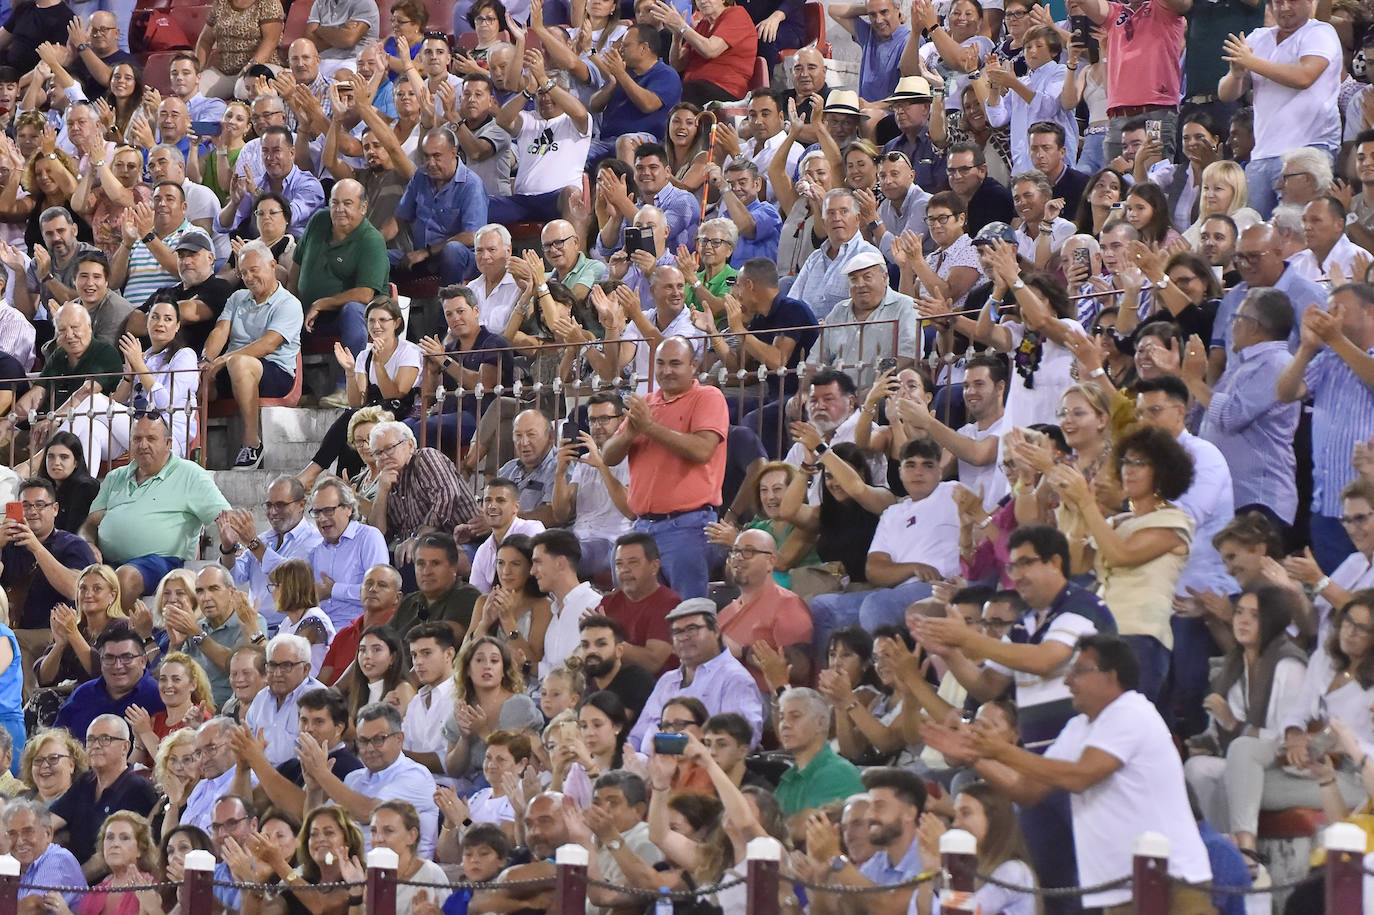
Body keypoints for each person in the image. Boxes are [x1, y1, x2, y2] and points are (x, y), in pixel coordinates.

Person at [600, 336, 727, 600]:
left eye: (675, 363)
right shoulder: (646, 404)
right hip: (642, 526)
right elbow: (608, 456)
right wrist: (627, 435)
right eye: (660, 363)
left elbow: (702, 450)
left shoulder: (708, 397)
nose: (666, 370)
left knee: (687, 612)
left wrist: (650, 428)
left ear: (694, 366)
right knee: (636, 609)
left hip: (688, 526)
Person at [1277, 284, 1374, 572]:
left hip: (1369, 510)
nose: (1329, 317)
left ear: (1369, 312)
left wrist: (1336, 340)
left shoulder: (1341, 349)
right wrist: (1307, 349)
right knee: (1334, 607)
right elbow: (1285, 392)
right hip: (1328, 511)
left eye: (1337, 310)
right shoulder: (1329, 358)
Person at [1189, 287, 1301, 526]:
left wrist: (1193, 381)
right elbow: (1200, 421)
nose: (1232, 327)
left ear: (1253, 326)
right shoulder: (1241, 365)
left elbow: (1231, 416)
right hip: (1227, 497)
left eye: (1236, 319)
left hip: (1258, 499)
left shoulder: (1277, 363)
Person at [201, 239, 303, 470]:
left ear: (272, 265)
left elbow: (268, 344)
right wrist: (207, 361)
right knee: (193, 373)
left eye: (254, 270)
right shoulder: (237, 298)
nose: (248, 278)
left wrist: (224, 360)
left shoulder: (289, 304)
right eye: (243, 272)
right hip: (231, 368)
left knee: (239, 362)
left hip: (275, 372)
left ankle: (251, 443)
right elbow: (220, 330)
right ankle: (189, 451)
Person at [302, 701, 440, 856]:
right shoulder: (354, 778)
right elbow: (316, 825)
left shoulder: (415, 776)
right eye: (363, 741)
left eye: (378, 739)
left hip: (403, 874)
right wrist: (314, 789)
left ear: (399, 739)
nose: (369, 749)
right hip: (352, 870)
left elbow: (368, 813)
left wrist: (322, 774)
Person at [0, 476, 96, 695]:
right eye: (25, 506)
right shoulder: (10, 543)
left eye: (40, 505)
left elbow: (75, 589)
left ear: (55, 509)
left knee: (12, 640)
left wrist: (37, 548)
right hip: (12, 626)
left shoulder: (73, 545)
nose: (32, 511)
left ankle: (27, 711)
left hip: (57, 632)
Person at [627, 598, 763, 751]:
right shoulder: (667, 680)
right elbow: (637, 737)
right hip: (651, 768)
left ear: (716, 631)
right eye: (677, 632)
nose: (684, 637)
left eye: (692, 629)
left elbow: (742, 740)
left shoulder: (734, 679)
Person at [801, 766, 928, 912]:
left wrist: (836, 857)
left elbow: (891, 908)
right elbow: (843, 911)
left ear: (909, 813)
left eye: (879, 806)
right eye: (870, 807)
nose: (869, 815)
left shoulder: (929, 856)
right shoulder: (877, 862)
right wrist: (821, 877)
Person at [49, 714, 158, 865]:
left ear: (125, 747)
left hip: (108, 879)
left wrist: (73, 885)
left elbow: (107, 858)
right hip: (72, 873)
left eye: (105, 739)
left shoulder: (137, 788)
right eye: (91, 739)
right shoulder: (85, 780)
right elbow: (51, 821)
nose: (96, 745)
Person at [218, 475, 323, 627]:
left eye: (281, 505)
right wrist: (227, 548)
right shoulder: (265, 538)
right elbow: (235, 575)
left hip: (291, 627)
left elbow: (289, 577)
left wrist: (253, 543)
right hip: (254, 625)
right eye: (269, 505)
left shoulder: (315, 541)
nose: (273, 512)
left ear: (302, 505)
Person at [593, 533, 676, 673]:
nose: (624, 570)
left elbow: (653, 662)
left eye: (633, 562)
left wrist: (608, 640)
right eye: (619, 564)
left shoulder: (669, 603)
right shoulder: (608, 602)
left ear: (654, 566)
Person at [647, 0, 757, 105]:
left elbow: (710, 50)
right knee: (659, 86)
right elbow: (677, 64)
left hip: (724, 88)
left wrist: (682, 26)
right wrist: (677, 38)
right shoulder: (703, 24)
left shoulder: (737, 14)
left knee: (672, 95)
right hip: (695, 88)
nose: (703, 1)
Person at [244, 633, 324, 767]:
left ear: (306, 669)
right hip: (259, 774)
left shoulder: (318, 698)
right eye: (272, 665)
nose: (277, 673)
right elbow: (248, 742)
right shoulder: (261, 698)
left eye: (286, 666)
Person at [7, 799, 85, 909]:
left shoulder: (59, 860)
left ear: (48, 833)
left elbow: (32, 908)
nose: (19, 841)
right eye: (12, 834)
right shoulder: (12, 861)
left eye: (28, 832)